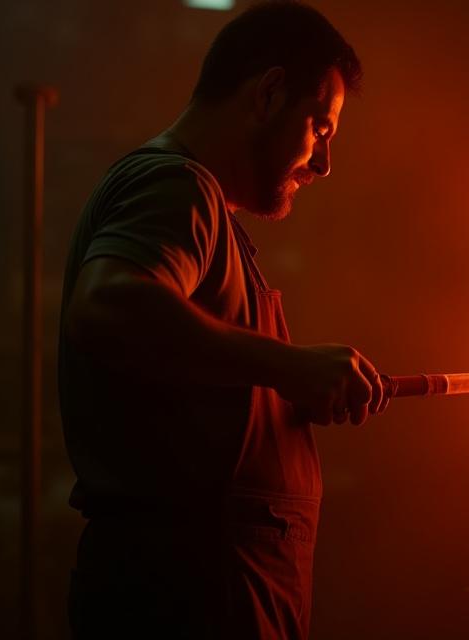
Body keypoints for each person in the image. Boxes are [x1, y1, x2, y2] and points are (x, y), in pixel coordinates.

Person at [58, 2, 382, 638]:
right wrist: (290, 366)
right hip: (190, 599)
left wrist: (278, 399)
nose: (323, 163)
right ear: (268, 93)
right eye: (320, 128)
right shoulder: (178, 187)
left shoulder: (199, 205)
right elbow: (108, 306)